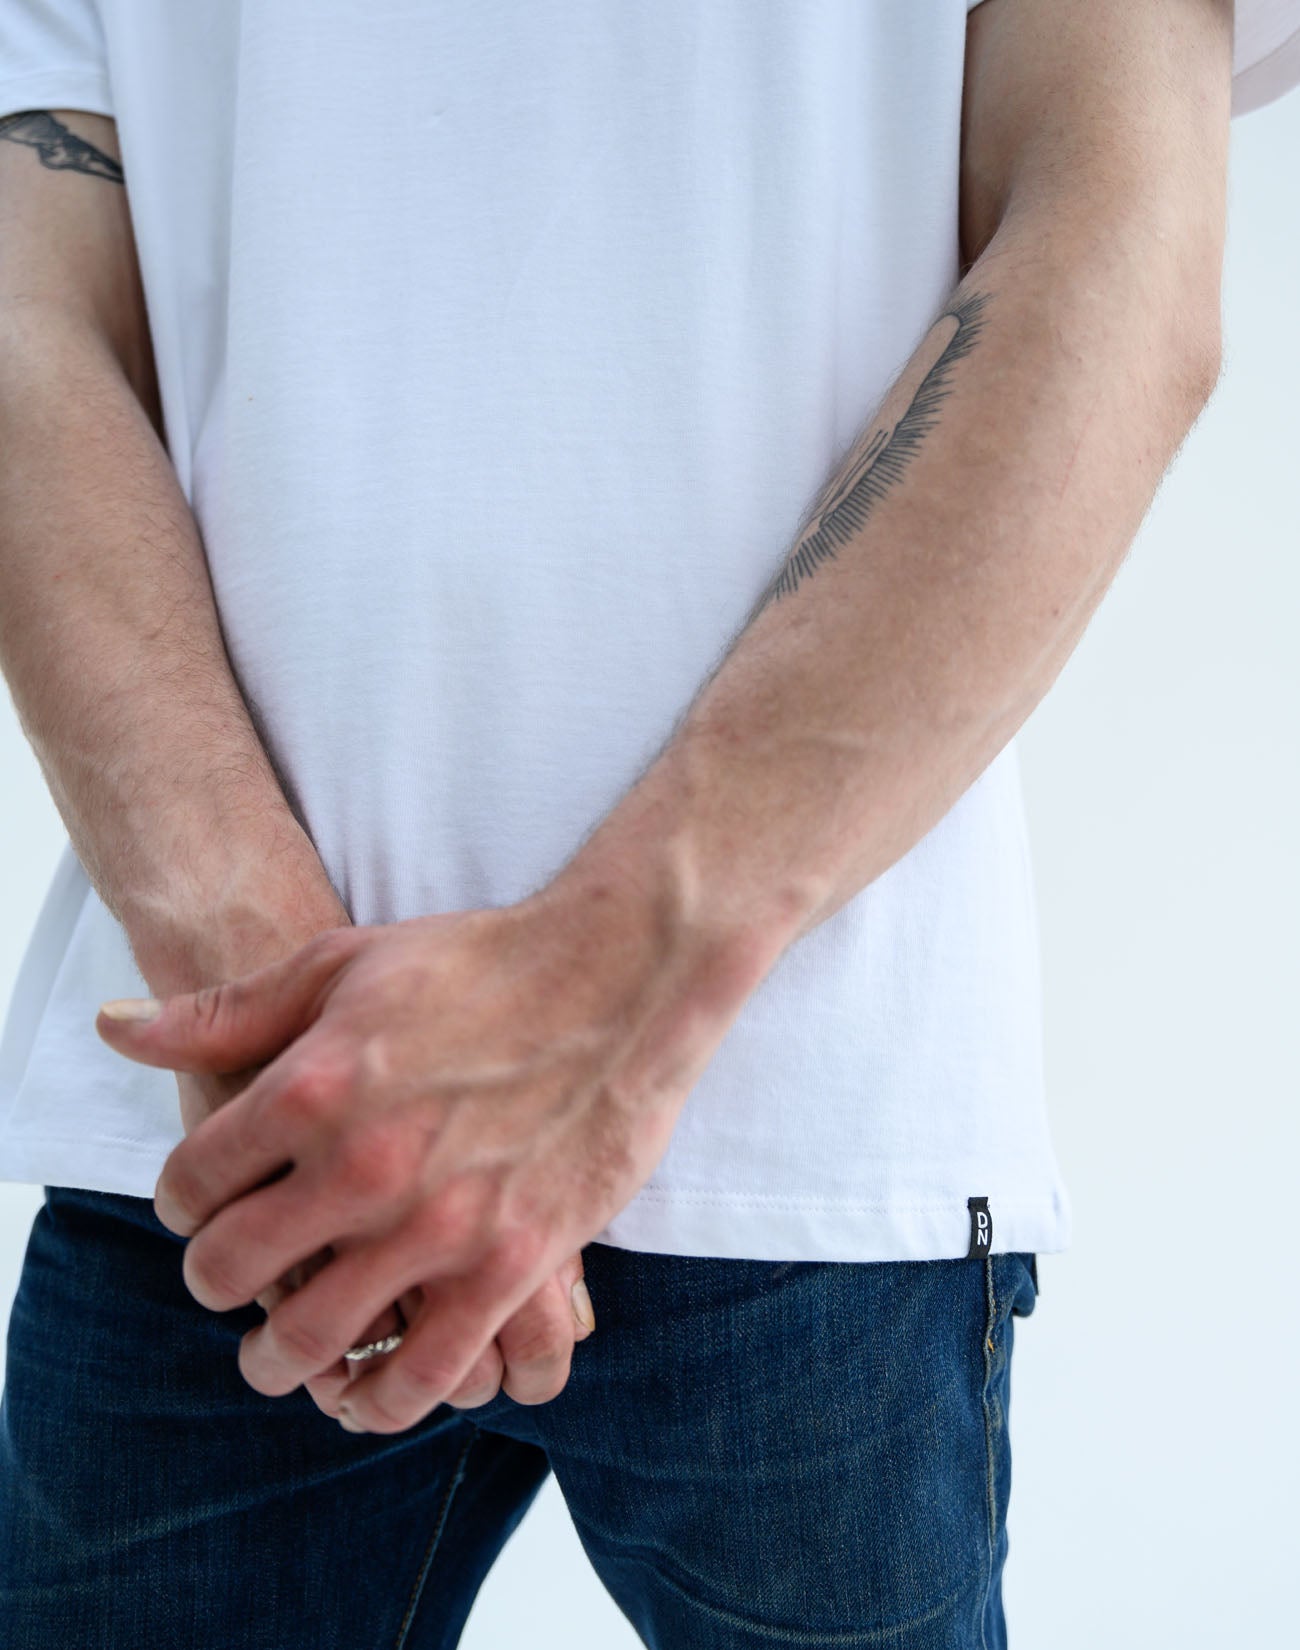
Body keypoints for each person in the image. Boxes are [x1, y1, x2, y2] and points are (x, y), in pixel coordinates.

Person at [0, 2, 1295, 1645]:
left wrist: (590, 996)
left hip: (772, 1140)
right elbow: (30, 315)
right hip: (238, 1139)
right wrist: (296, 1018)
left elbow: (1120, 254)